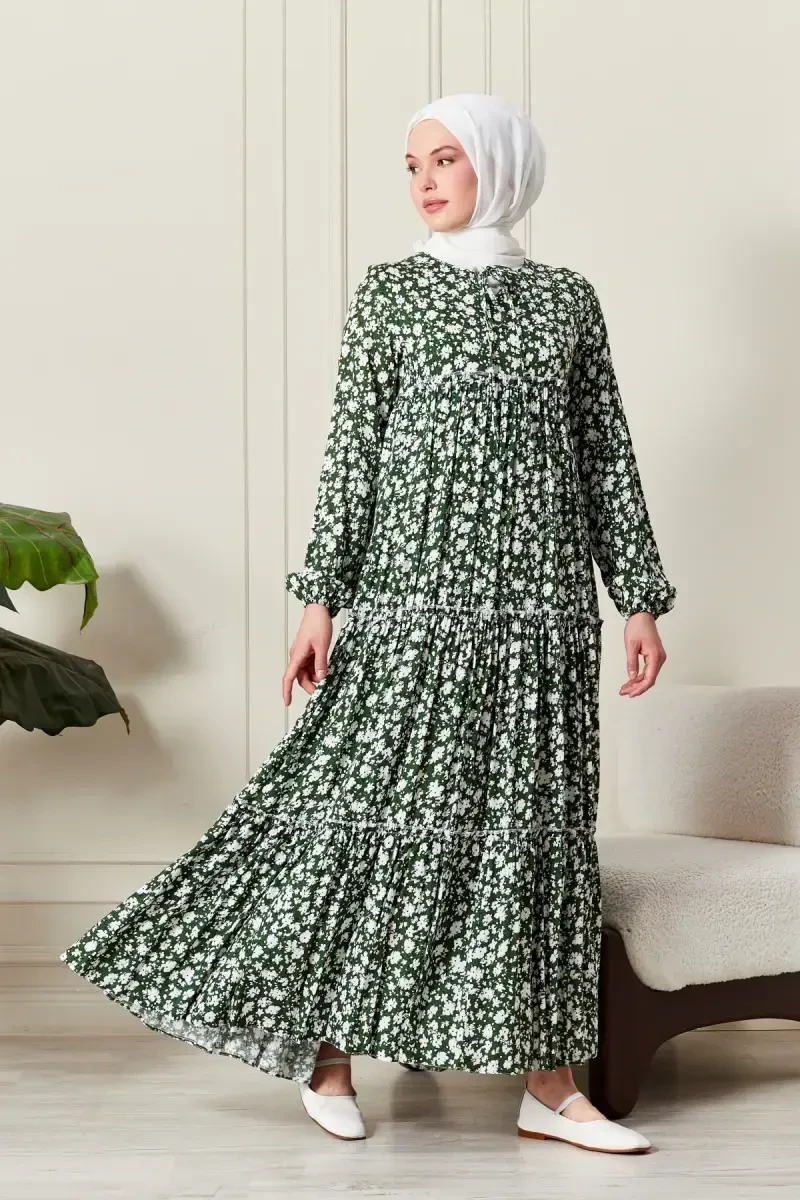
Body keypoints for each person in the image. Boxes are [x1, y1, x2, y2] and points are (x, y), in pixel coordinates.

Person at [60, 92, 676, 1155]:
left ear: (498, 167)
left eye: (446, 160)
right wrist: (320, 599)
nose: (424, 181)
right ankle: (329, 1053)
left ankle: (549, 1084)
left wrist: (640, 600)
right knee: (369, 818)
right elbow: (353, 455)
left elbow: (603, 455)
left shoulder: (566, 301)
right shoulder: (389, 296)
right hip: (408, 598)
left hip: (540, 614)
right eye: (412, 165)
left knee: (532, 833)